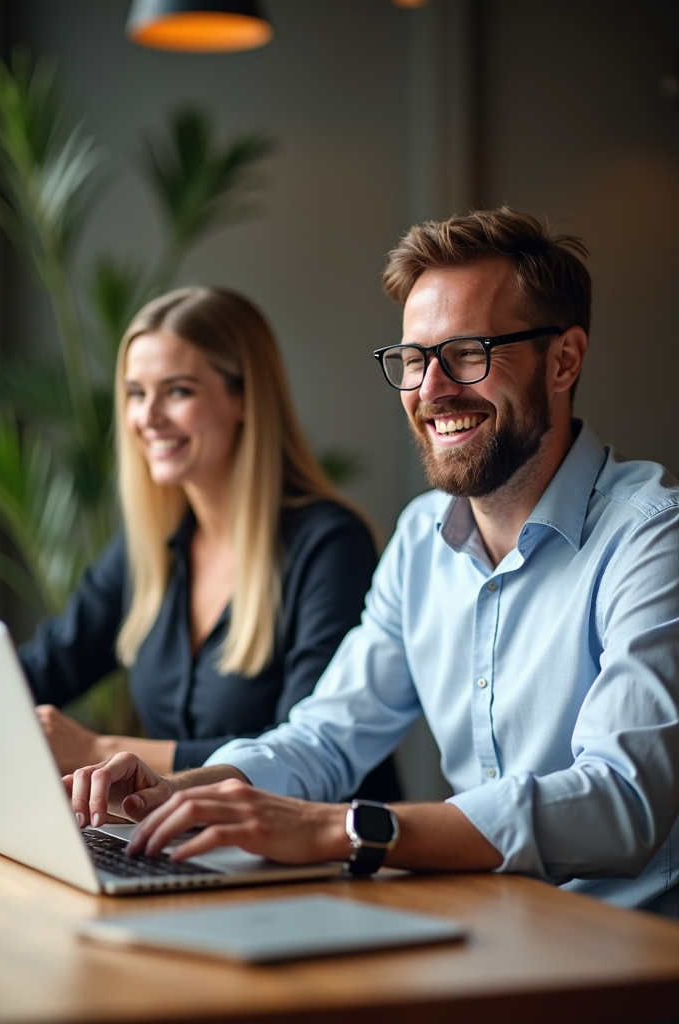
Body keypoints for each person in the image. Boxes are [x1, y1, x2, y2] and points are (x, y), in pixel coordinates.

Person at [66, 209, 679, 917]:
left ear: (564, 360)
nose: (432, 389)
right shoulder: (422, 539)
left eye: (469, 353)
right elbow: (327, 735)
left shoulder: (653, 539)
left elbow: (620, 801)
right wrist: (189, 789)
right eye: (416, 359)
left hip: (631, 954)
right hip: (488, 924)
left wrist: (338, 828)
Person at [20, 285, 400, 801]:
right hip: (191, 842)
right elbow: (45, 667)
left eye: (177, 391)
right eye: (135, 393)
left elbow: (299, 752)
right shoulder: (148, 547)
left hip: (329, 859)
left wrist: (98, 747)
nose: (148, 417)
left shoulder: (330, 545)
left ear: (243, 397)